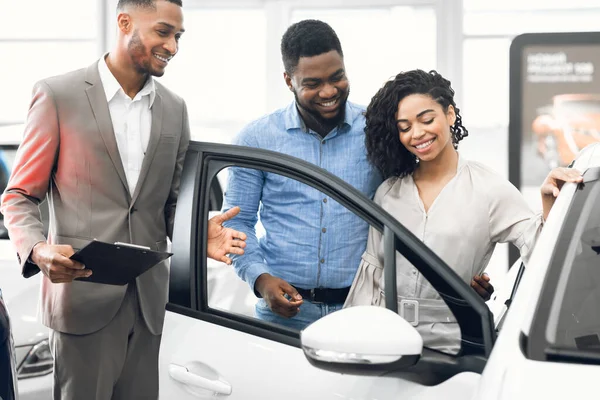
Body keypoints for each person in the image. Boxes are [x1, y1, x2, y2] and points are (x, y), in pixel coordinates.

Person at [0, 1, 246, 399]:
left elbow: (170, 205)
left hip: (149, 305)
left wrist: (196, 234)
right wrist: (38, 249)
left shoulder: (174, 108)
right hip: (81, 301)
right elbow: (19, 195)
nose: (173, 47)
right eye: (163, 32)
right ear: (125, 22)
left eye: (178, 37)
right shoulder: (58, 95)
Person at [344, 69, 582, 353]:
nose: (417, 134)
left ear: (450, 114)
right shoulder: (389, 192)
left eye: (426, 119)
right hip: (389, 341)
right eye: (404, 127)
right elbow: (372, 278)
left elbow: (545, 257)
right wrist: (353, 346)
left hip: (454, 345)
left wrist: (548, 204)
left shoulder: (488, 188)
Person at [221, 19, 382, 330]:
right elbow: (238, 222)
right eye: (312, 84)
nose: (329, 91)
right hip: (283, 314)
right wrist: (260, 279)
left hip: (362, 308)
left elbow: (411, 208)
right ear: (288, 80)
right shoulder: (256, 139)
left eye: (337, 77)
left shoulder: (375, 130)